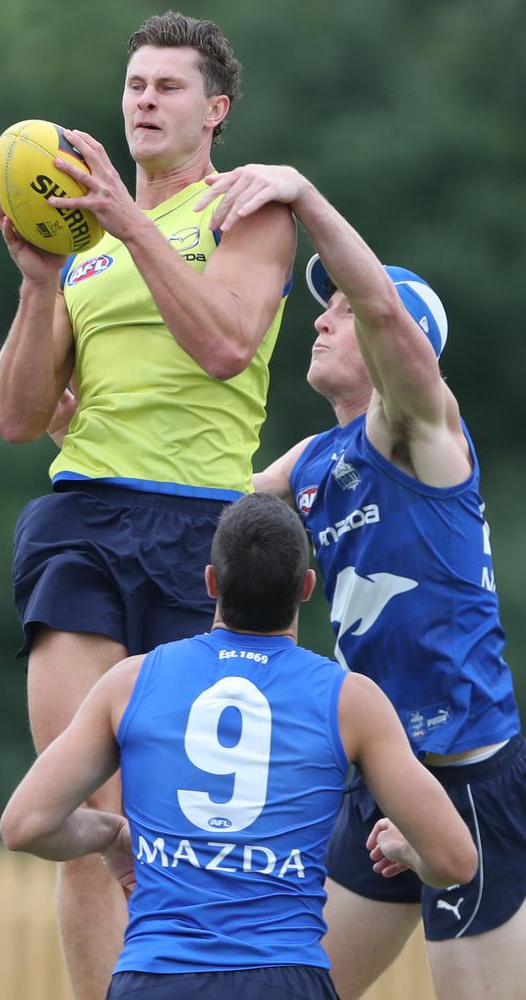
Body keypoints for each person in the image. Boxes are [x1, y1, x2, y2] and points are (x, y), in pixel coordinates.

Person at [0, 14, 295, 999]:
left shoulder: (244, 210)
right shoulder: (79, 242)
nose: (144, 102)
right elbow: (16, 416)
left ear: (215, 110)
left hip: (204, 533)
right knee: (85, 812)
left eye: (167, 86)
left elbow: (223, 348)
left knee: (187, 830)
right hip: (82, 518)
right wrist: (40, 287)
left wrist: (129, 222)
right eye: (134, 86)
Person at [194, 165, 526, 1000]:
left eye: (339, 310)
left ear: (392, 338)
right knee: (282, 987)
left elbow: (380, 307)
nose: (323, 316)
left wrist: (304, 199)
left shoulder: (421, 427)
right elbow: (206, 505)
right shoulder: (312, 461)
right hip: (379, 774)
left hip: (466, 777)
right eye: (327, 306)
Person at [0, 492, 477, 1000]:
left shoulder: (132, 683)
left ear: (210, 582)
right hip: (284, 979)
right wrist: (405, 849)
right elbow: (456, 861)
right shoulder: (349, 700)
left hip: (155, 979)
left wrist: (108, 834)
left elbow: (25, 826)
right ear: (306, 588)